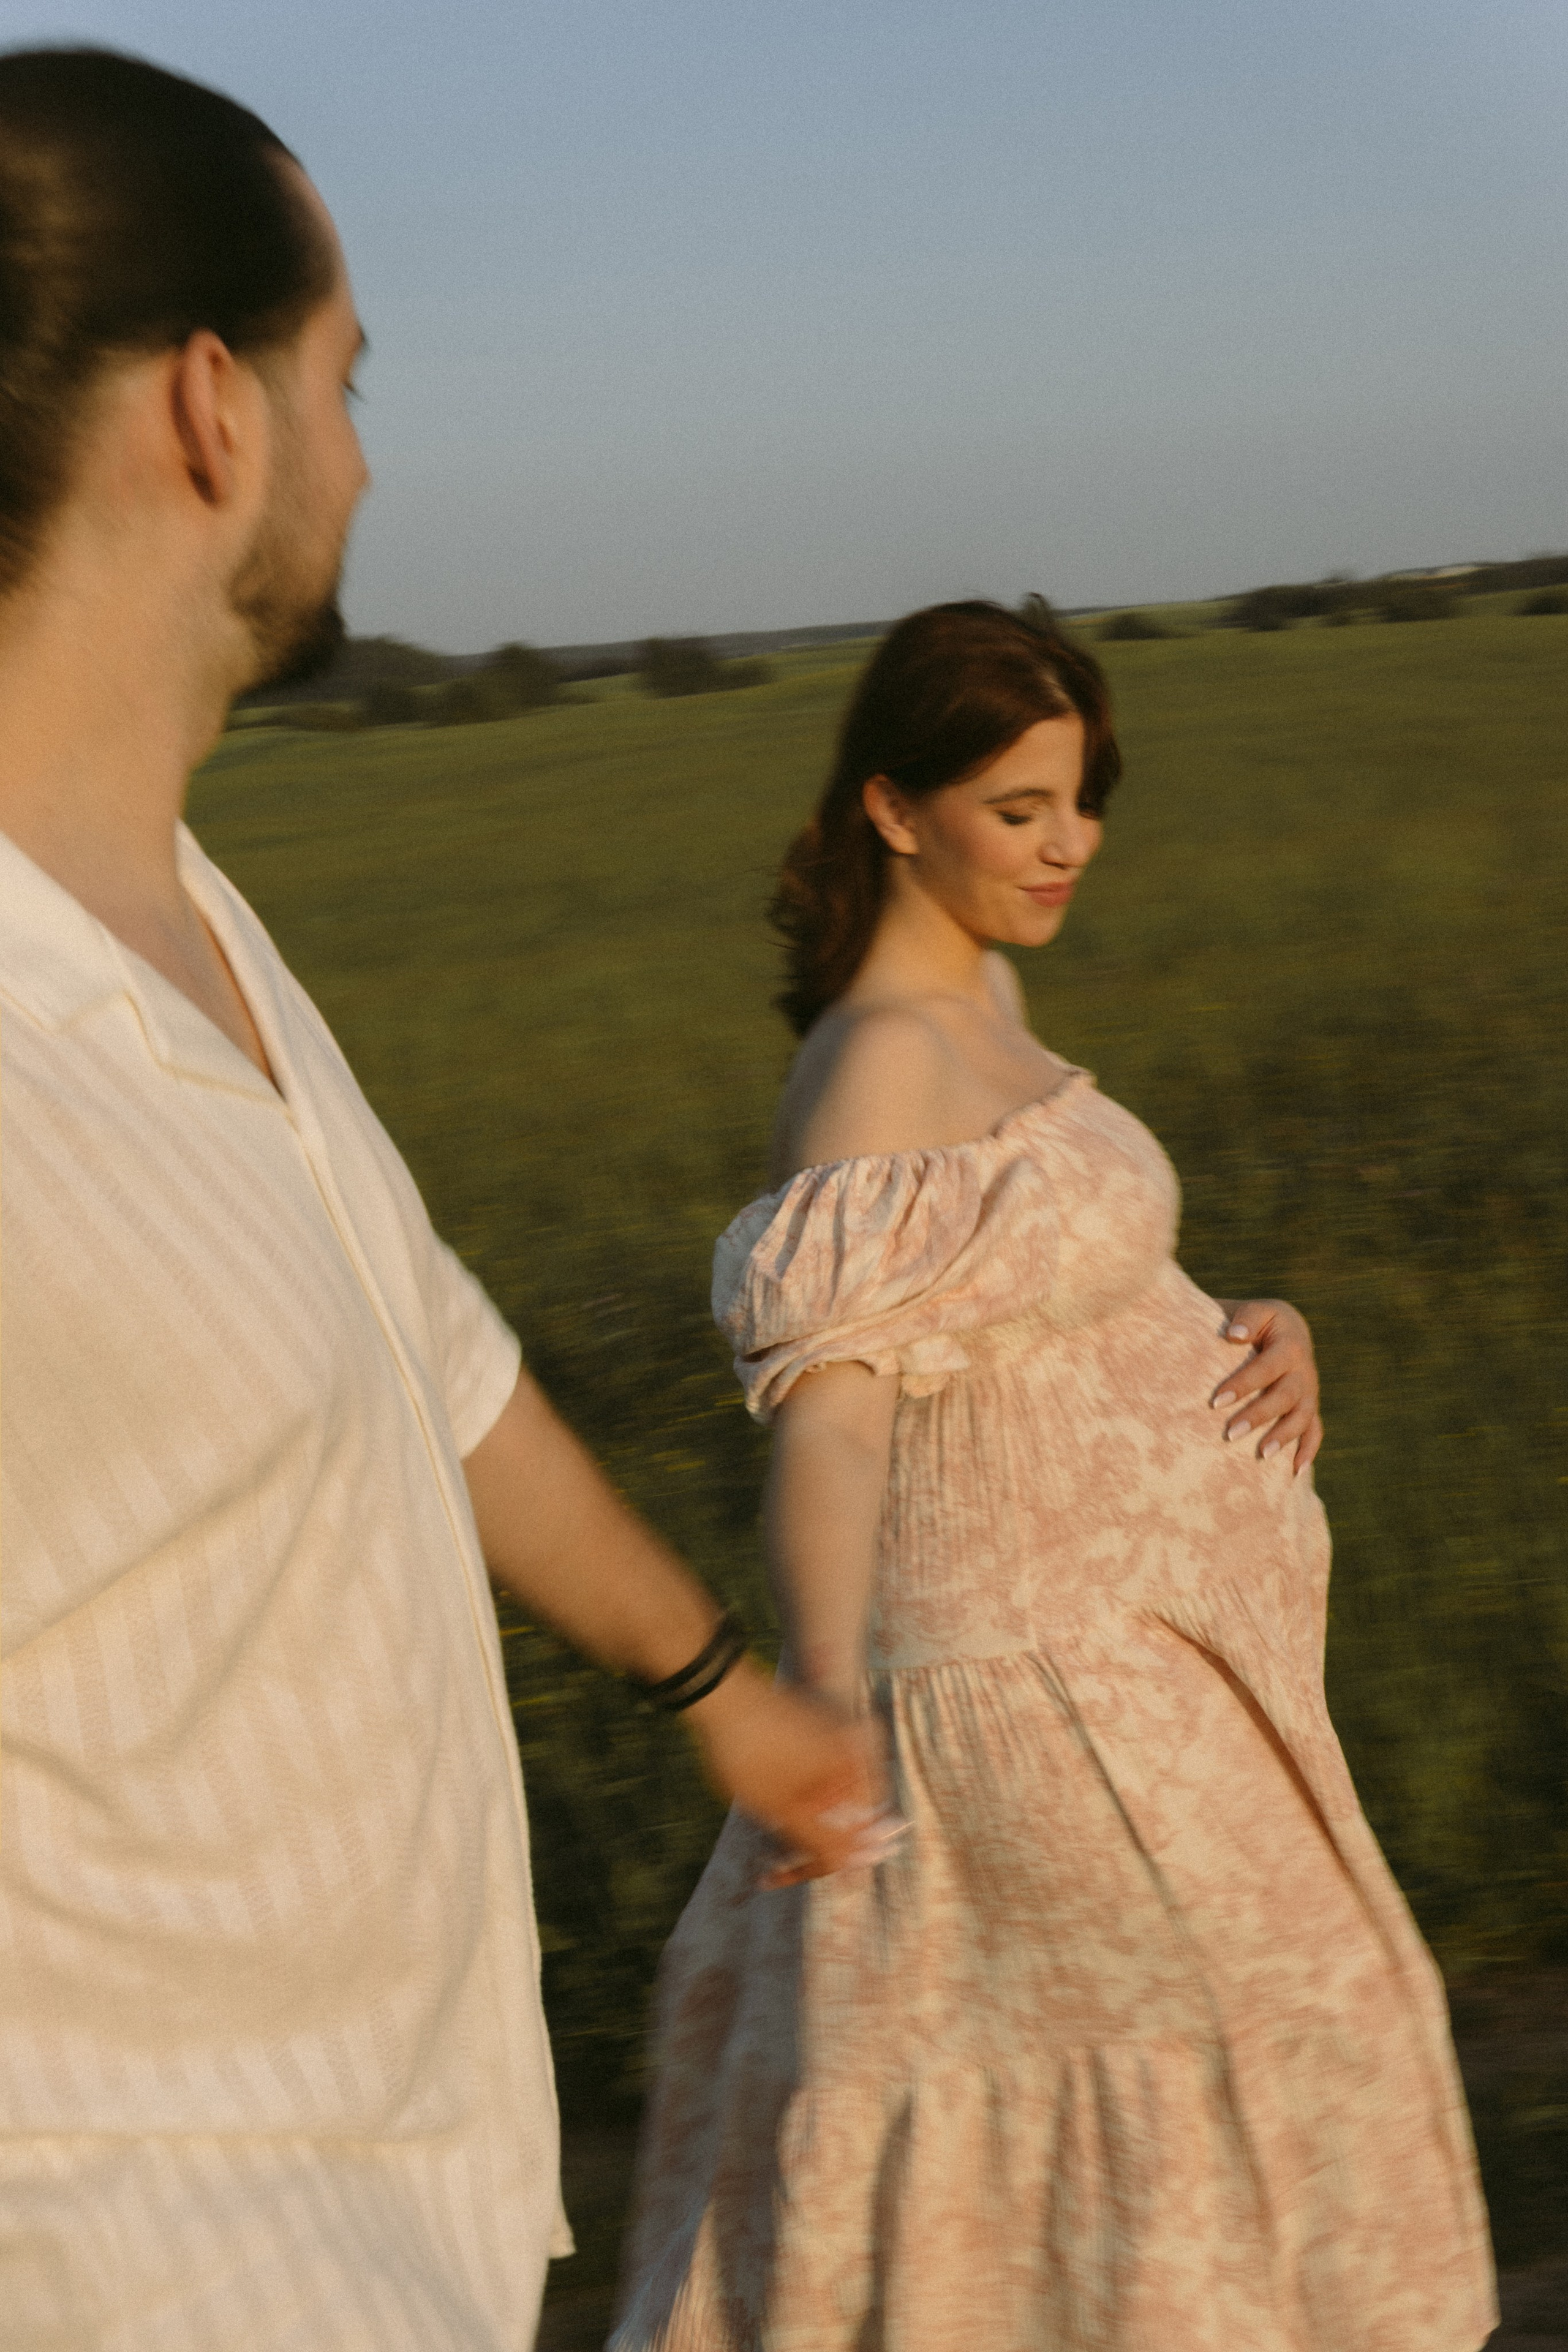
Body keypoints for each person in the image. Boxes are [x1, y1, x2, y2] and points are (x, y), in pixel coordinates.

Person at [0, 48, 883, 2350]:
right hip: (131, 2255)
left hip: (404, 2204)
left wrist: (720, 1694)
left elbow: (437, 1364)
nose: (368, 450)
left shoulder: (195, 918)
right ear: (212, 409)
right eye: (345, 377)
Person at [611, 601, 1497, 2350]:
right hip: (1017, 1705)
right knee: (1235, 2045)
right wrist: (823, 1684)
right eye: (1019, 808)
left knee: (1231, 2062)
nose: (1067, 844)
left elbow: (1034, 1285)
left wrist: (1248, 1324)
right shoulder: (874, 1064)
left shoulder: (987, 1001)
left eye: (1081, 801)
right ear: (894, 807)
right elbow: (836, 1420)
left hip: (1142, 1675)